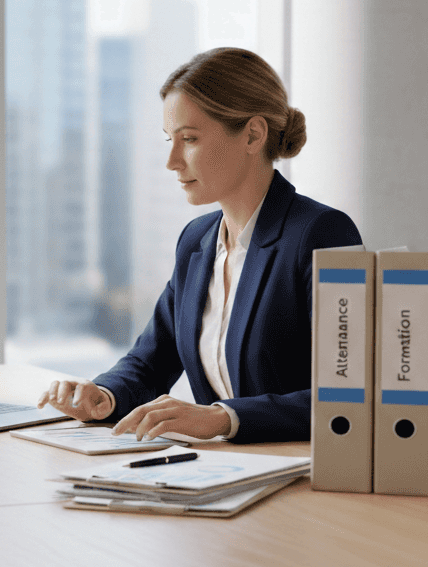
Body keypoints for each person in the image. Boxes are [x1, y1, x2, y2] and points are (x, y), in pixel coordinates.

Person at [37, 47, 362, 443]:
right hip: (220, 470)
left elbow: (346, 396)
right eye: (169, 140)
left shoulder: (321, 233)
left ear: (253, 135)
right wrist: (103, 395)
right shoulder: (197, 241)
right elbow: (150, 360)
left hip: (297, 472)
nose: (172, 160)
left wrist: (224, 418)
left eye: (189, 139)